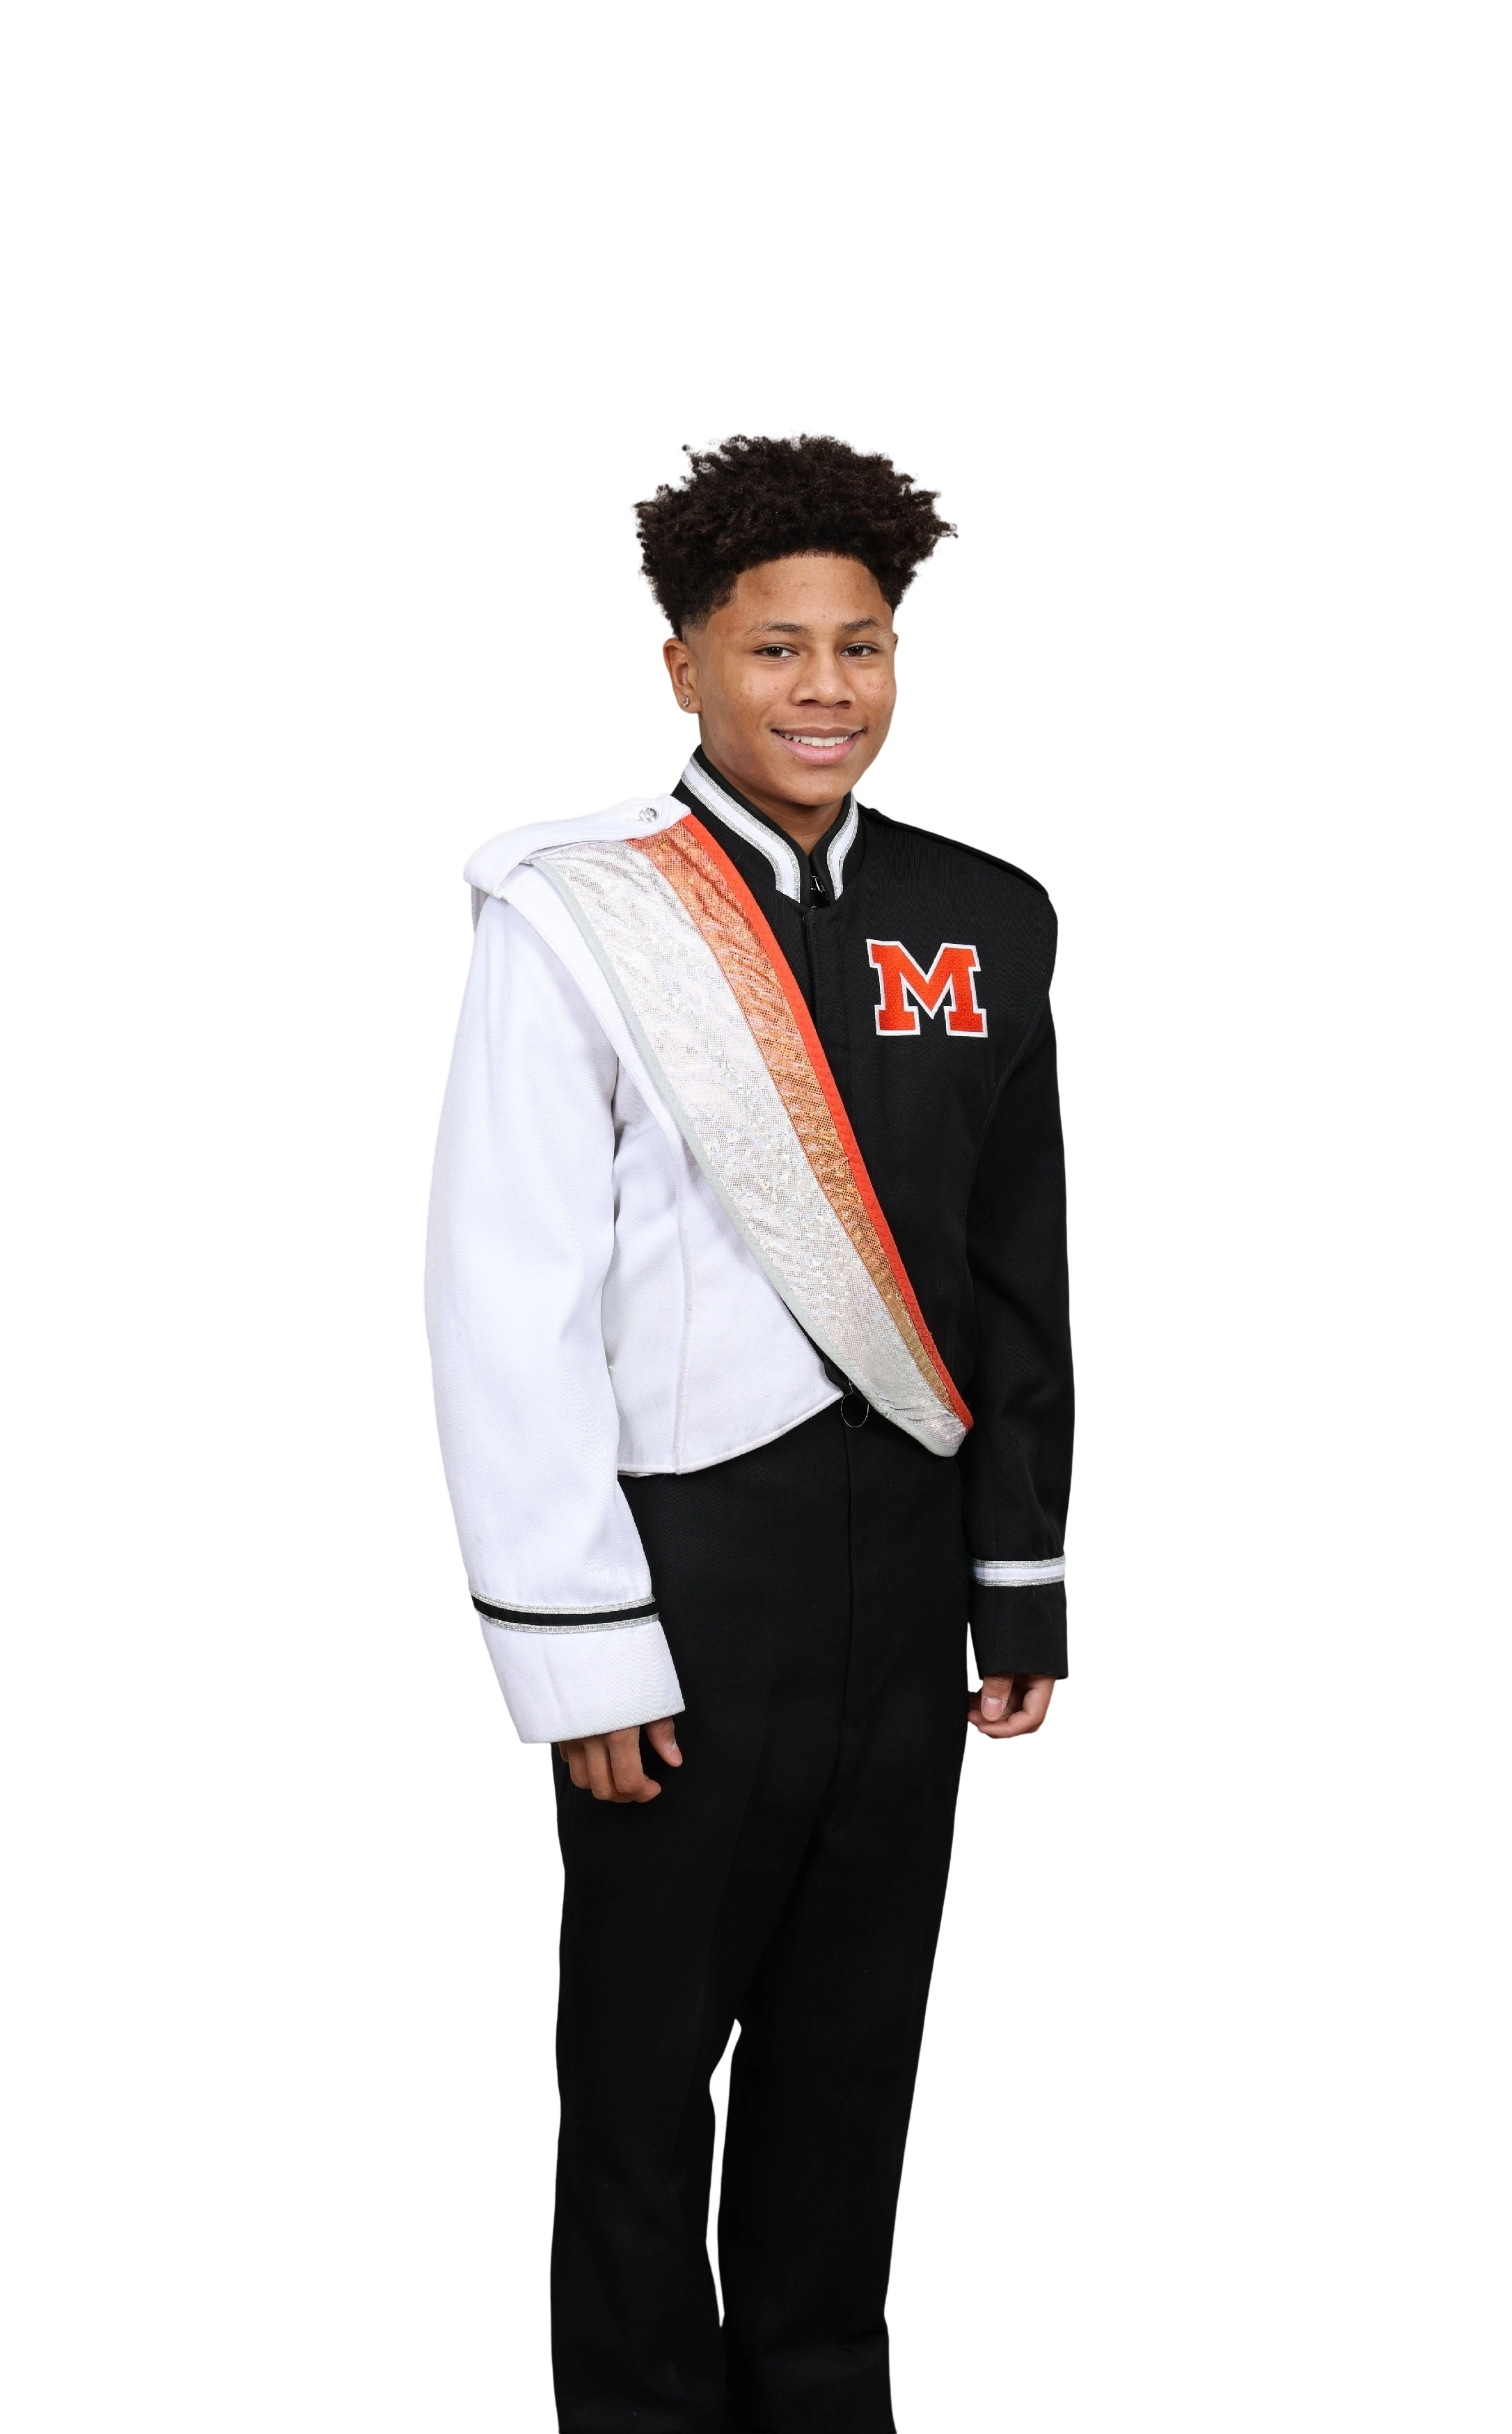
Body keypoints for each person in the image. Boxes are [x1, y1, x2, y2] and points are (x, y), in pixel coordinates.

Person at [422, 424, 1073, 2434]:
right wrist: (576, 1640)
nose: (824, 688)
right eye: (775, 645)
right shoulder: (578, 908)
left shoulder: (987, 911)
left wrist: (1018, 1580)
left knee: (852, 2056)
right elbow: (502, 1291)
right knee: (642, 2076)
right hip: (680, 1566)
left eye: (863, 645)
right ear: (683, 665)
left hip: (909, 1566)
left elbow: (1017, 1267)